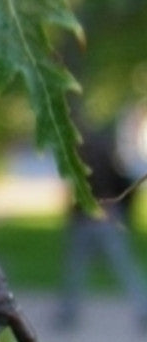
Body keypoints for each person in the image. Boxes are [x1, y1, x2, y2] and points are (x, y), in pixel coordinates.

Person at [55, 117, 147, 330]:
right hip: (95, 220)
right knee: (83, 267)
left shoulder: (93, 158)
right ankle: (69, 311)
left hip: (98, 220)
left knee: (88, 266)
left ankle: (69, 311)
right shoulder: (99, 157)